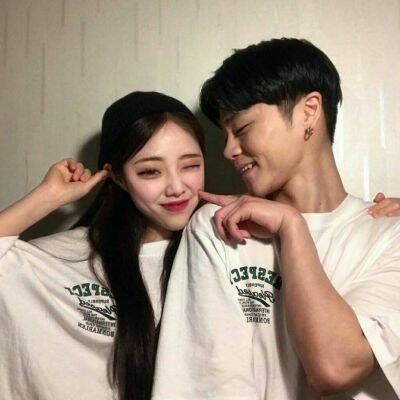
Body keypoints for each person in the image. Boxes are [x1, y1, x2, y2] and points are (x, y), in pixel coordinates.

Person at [151, 39, 400, 399]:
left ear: (309, 111)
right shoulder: (219, 226)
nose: (228, 150)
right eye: (224, 135)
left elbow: (336, 366)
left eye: (241, 129)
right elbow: (210, 385)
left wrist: (291, 227)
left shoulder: (390, 235)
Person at [0, 91, 205, 400]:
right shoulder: (68, 258)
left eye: (190, 166)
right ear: (118, 178)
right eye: (150, 171)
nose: (177, 187)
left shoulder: (220, 249)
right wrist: (47, 197)